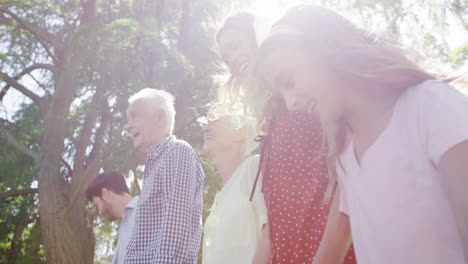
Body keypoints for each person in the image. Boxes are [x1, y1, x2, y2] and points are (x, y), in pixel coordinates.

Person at [255, 4, 468, 264]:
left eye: (288, 80)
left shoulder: (431, 106)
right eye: (281, 95)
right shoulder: (345, 159)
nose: (291, 104)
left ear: (325, 48)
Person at [216, 12, 355, 264]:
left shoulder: (308, 97)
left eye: (236, 46)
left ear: (259, 38)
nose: (233, 60)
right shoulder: (270, 124)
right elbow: (275, 218)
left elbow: (347, 180)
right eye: (226, 58)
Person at [124, 88, 205, 264]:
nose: (128, 125)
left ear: (159, 117)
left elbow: (174, 232)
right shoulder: (155, 165)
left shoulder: (177, 151)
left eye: (135, 116)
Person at [201, 102, 267, 264]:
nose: (205, 128)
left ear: (240, 132)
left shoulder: (253, 167)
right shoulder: (219, 199)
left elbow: (271, 232)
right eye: (206, 122)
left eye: (215, 119)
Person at [85, 171, 139, 264]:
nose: (100, 213)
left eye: (97, 205)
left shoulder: (147, 211)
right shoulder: (124, 227)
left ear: (105, 194)